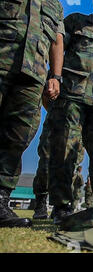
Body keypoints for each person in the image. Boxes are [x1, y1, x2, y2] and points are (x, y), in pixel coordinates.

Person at [48, 0, 93, 224]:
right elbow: (58, 48)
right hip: (72, 95)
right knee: (65, 149)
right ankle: (62, 207)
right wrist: (54, 78)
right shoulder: (75, 22)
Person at [0, 0, 65, 228]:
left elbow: (57, 40)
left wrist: (56, 76)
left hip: (33, 75)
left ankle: (1, 200)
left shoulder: (55, 5)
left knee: (18, 137)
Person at [32, 108, 85, 219]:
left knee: (70, 167)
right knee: (46, 164)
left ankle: (60, 206)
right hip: (60, 117)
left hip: (80, 126)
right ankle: (40, 202)